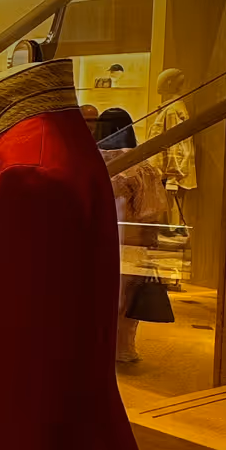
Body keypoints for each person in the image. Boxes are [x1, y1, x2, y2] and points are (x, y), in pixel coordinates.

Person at [93, 108, 168, 364]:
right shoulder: (143, 164)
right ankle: (124, 348)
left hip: (98, 238)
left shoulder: (92, 160)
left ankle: (98, 347)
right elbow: (152, 210)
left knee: (99, 295)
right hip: (133, 240)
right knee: (127, 298)